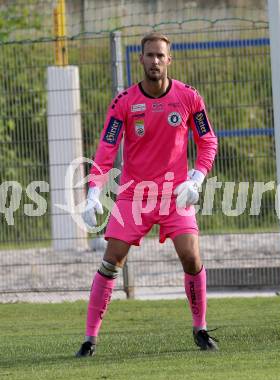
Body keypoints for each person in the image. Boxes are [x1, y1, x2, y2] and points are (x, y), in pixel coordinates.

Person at [76, 32, 218, 357]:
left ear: (169, 60)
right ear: (140, 60)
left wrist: (196, 179)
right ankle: (89, 340)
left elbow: (208, 140)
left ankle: (200, 328)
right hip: (133, 196)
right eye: (149, 55)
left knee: (192, 257)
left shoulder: (188, 98)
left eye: (160, 56)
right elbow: (107, 148)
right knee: (111, 260)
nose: (154, 61)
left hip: (175, 195)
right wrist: (94, 192)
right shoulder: (124, 102)